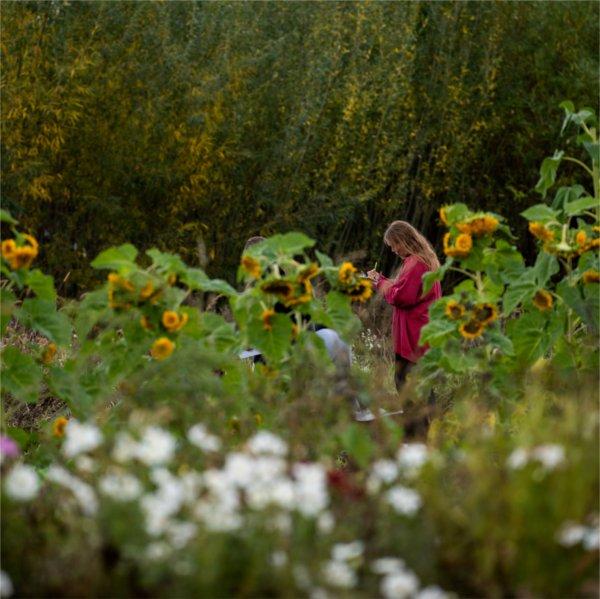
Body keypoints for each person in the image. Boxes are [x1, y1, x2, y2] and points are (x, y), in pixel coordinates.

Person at [367, 220, 442, 393]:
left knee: (409, 388)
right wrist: (380, 279)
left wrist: (379, 283)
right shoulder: (422, 259)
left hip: (413, 337)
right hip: (420, 335)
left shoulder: (415, 263)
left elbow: (402, 297)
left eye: (395, 245)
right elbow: (404, 287)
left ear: (405, 239)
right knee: (421, 388)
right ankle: (426, 421)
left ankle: (417, 421)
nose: (394, 250)